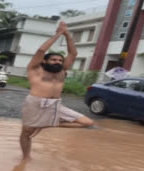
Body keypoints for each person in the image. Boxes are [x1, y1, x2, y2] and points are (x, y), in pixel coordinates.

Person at [20, 21, 95, 160]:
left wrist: (67, 34)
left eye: (60, 60)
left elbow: (73, 53)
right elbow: (41, 51)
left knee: (87, 122)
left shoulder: (62, 71)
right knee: (26, 133)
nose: (58, 62)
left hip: (55, 105)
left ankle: (48, 123)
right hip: (35, 103)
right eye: (54, 60)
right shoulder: (35, 69)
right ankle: (26, 158)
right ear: (44, 61)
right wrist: (58, 34)